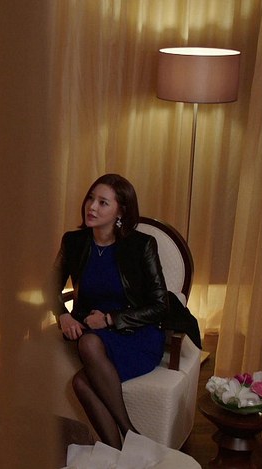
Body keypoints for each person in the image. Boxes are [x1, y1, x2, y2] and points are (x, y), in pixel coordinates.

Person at [49, 173, 167, 449]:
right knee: (81, 382)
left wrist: (111, 318)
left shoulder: (142, 246)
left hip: (137, 334)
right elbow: (48, 287)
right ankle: (121, 451)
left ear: (120, 211)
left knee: (88, 344)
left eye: (103, 202)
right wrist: (62, 315)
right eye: (91, 198)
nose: (92, 207)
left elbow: (161, 306)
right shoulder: (74, 242)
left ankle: (130, 435)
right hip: (94, 333)